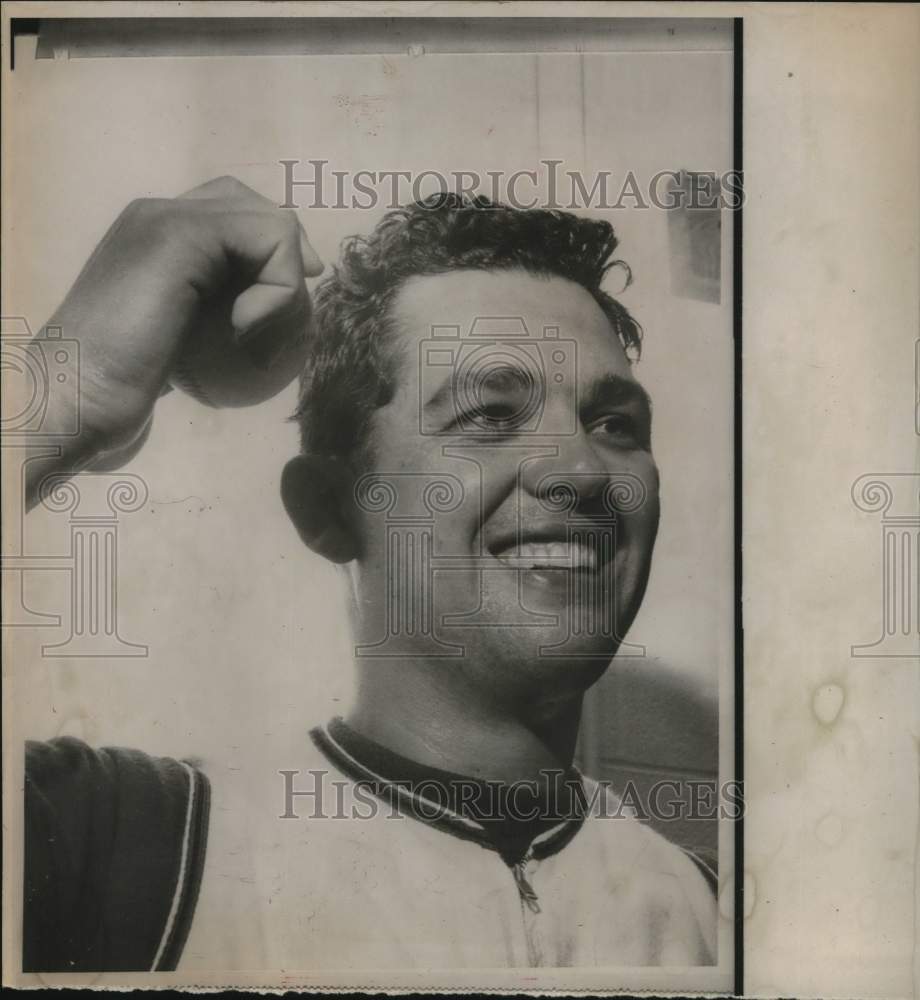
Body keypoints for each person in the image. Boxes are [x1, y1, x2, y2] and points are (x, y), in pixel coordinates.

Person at [22, 177, 717, 973]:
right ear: (327, 510)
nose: (583, 469)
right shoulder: (113, 845)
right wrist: (60, 395)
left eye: (614, 424)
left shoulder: (713, 914)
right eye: (489, 416)